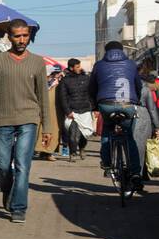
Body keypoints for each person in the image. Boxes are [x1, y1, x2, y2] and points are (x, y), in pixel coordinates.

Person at [0, 20, 51, 223]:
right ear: (8, 37)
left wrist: (48, 126)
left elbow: (43, 96)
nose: (21, 40)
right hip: (4, 119)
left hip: (29, 118)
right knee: (2, 165)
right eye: (17, 36)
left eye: (25, 35)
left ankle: (19, 208)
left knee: (22, 165)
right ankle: (8, 193)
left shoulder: (37, 62)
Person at [89, 41, 142, 188]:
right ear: (122, 50)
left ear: (106, 51)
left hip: (106, 105)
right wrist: (136, 100)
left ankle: (106, 163)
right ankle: (136, 173)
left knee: (107, 132)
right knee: (129, 137)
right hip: (127, 105)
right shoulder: (131, 64)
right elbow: (138, 85)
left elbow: (92, 87)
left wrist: (94, 105)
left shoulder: (99, 65)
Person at [57, 58, 93, 161]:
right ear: (71, 68)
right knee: (73, 135)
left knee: (84, 134)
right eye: (77, 67)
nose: (79, 68)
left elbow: (91, 94)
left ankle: (82, 148)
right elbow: (62, 97)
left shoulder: (86, 78)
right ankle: (72, 153)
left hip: (85, 110)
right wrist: (67, 112)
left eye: (79, 66)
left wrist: (93, 108)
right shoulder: (65, 81)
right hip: (72, 111)